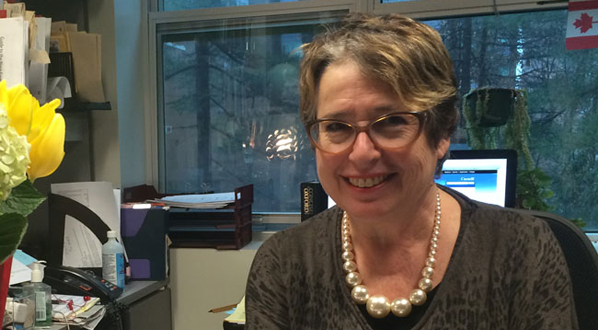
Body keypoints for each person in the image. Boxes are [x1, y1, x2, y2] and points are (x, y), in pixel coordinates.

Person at [245, 13, 578, 330]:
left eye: (391, 122)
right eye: (336, 126)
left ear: (442, 133)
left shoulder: (521, 250)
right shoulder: (284, 264)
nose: (361, 154)